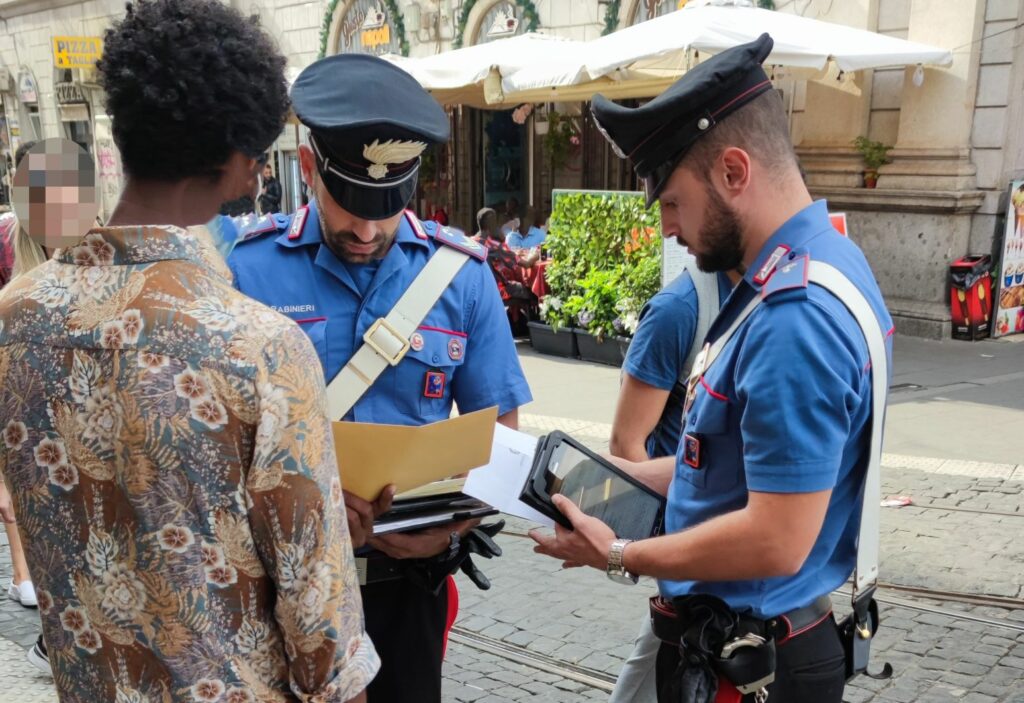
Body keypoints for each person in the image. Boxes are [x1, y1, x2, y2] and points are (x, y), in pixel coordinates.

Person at [0, 2, 378, 701]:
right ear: (237, 160)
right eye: (259, 155)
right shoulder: (260, 348)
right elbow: (322, 630)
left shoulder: (14, 319)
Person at [531, 33, 892, 703]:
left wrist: (618, 553)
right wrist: (606, 480)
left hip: (750, 665)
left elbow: (776, 537)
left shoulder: (794, 315)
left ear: (732, 171)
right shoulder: (816, 265)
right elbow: (731, 467)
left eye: (672, 201)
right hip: (746, 646)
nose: (667, 227)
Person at [227, 54, 532, 703]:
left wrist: (452, 529)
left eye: (388, 206)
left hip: (406, 594)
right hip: (278, 594)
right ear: (309, 168)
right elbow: (213, 447)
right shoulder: (246, 272)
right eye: (350, 205)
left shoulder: (461, 276)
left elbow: (502, 441)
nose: (367, 229)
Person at [608, 262, 736, 703]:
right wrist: (658, 549)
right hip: (694, 564)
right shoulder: (678, 310)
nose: (668, 229)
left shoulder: (777, 298)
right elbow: (626, 442)